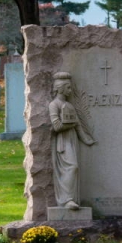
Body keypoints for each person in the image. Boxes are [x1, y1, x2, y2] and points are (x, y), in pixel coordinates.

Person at [48, 72, 96, 210]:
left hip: (72, 139)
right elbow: (56, 126)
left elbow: (78, 124)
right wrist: (72, 124)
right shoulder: (54, 104)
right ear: (61, 88)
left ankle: (71, 199)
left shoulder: (69, 105)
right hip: (62, 141)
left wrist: (86, 139)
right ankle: (66, 200)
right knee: (71, 167)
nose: (71, 90)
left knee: (74, 168)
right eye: (68, 88)